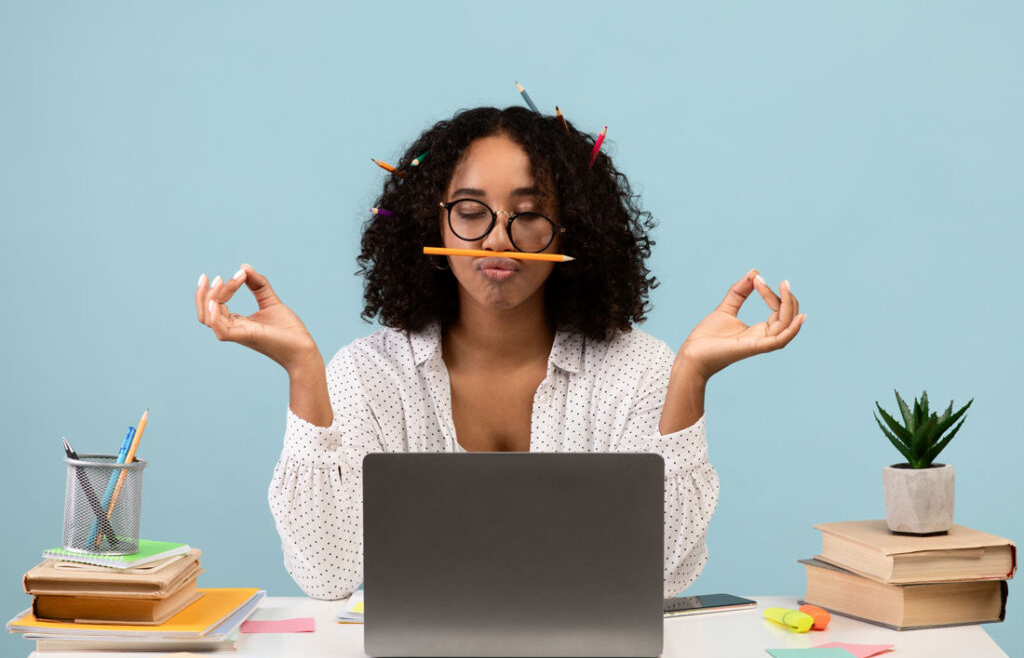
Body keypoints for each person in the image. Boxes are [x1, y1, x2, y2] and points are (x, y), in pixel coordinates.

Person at [195, 106, 805, 600]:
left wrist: (690, 377)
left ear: (571, 232)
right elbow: (325, 577)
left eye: (530, 214)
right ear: (430, 227)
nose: (495, 238)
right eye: (469, 212)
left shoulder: (638, 368)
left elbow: (662, 573)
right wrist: (304, 369)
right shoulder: (368, 373)